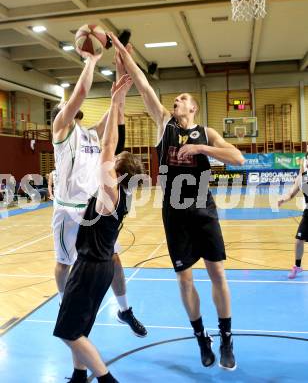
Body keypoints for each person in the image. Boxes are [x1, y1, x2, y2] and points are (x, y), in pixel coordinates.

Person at [111, 33, 245, 370]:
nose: (176, 100)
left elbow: (238, 158)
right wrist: (125, 58)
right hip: (174, 215)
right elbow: (142, 85)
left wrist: (202, 149)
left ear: (193, 107)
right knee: (185, 280)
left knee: (217, 275)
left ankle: (226, 337)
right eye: (176, 98)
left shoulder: (207, 132)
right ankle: (201, 338)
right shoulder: (163, 124)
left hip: (203, 210)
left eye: (183, 98)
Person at [53, 73, 143, 383]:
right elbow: (106, 141)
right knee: (84, 326)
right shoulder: (122, 196)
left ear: (116, 169)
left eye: (116, 158)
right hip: (102, 266)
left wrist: (116, 98)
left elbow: (108, 142)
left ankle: (106, 379)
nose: (113, 156)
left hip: (89, 268)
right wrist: (116, 99)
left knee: (67, 331)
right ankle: (79, 376)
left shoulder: (108, 191)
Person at [278, 154, 308, 278]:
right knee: (299, 240)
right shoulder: (300, 179)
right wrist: (283, 199)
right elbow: (291, 193)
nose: (303, 164)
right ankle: (297, 266)